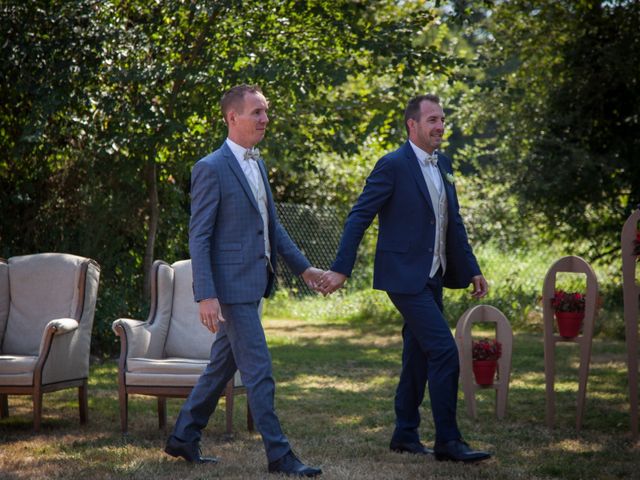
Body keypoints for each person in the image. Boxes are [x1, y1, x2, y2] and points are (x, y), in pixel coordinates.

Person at [318, 94, 491, 463]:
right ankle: (448, 441)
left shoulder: (443, 163)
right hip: (403, 276)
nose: (440, 126)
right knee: (445, 351)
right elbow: (359, 216)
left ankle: (405, 434)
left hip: (434, 275)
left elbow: (452, 223)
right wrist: (341, 268)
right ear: (412, 125)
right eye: (432, 120)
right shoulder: (392, 164)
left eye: (442, 119)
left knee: (419, 355)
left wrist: (472, 267)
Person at [164, 84, 323, 477]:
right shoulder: (210, 167)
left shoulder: (259, 163)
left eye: (266, 111)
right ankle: (280, 455)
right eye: (257, 112)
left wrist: (305, 269)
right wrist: (206, 295)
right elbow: (199, 236)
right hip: (230, 289)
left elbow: (272, 227)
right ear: (232, 117)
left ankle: (184, 435)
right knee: (259, 370)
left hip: (255, 284)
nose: (265, 119)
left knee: (221, 366)